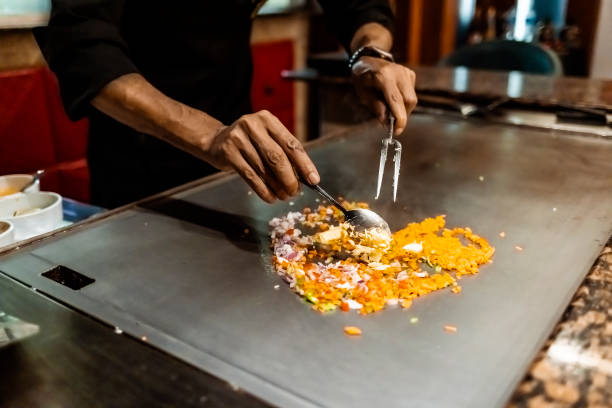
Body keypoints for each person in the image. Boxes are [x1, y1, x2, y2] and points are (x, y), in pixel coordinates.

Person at [34, 1, 417, 208]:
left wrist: (370, 55)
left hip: (237, 148)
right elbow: (83, 48)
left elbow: (361, 7)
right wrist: (210, 135)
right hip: (142, 154)